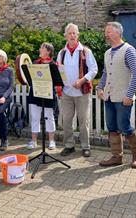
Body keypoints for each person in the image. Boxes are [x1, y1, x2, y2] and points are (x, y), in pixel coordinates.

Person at [96, 22, 136, 168]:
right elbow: (105, 73)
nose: (106, 34)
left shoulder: (129, 50)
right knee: (112, 127)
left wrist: (129, 95)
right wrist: (99, 87)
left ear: (117, 32)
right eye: (106, 31)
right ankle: (117, 157)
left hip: (123, 98)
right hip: (108, 97)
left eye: (108, 31)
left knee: (125, 127)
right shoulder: (107, 52)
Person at [57, 23, 98, 157]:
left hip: (82, 93)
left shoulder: (86, 51)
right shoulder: (61, 53)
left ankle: (85, 146)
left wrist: (82, 80)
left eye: (75, 33)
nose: (72, 35)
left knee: (83, 121)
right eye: (70, 33)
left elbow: (94, 69)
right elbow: (58, 70)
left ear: (78, 35)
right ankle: (69, 145)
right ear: (65, 36)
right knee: (66, 120)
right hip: (66, 93)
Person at [26, 42, 57, 150]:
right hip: (35, 93)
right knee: (35, 117)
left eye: (41, 48)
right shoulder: (35, 63)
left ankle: (51, 141)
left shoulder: (53, 65)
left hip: (47, 93)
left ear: (48, 51)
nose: (39, 49)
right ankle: (33, 140)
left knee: (49, 117)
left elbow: (56, 80)